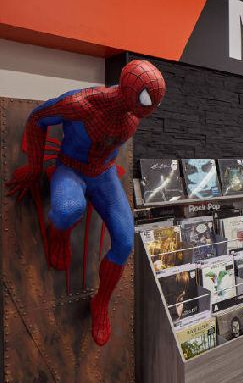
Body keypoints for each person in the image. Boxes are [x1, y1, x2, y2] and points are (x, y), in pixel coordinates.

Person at [5, 60, 166, 346]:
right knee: (68, 210)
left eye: (155, 102)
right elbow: (37, 118)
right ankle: (59, 236)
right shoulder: (82, 103)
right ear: (129, 91)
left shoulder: (134, 114)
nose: (150, 109)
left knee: (124, 241)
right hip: (71, 168)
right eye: (146, 100)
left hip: (103, 175)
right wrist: (34, 167)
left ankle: (100, 302)